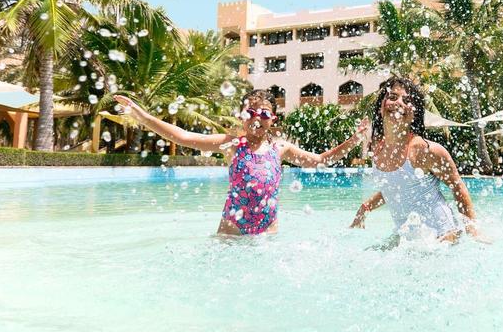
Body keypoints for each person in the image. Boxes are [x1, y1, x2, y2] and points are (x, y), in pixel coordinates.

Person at [114, 90, 367, 236]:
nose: (258, 118)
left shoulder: (281, 148)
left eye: (264, 114)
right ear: (243, 117)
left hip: (268, 230)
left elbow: (320, 161)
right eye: (252, 113)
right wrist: (142, 115)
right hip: (232, 228)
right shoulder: (233, 144)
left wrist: (355, 140)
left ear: (273, 119)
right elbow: (184, 137)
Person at [349, 77, 484, 243]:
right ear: (380, 107)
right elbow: (396, 187)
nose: (399, 103)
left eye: (407, 100)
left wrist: (473, 232)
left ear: (414, 113)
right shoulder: (377, 148)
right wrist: (365, 208)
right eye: (392, 97)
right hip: (407, 239)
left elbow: (458, 187)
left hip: (441, 238)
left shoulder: (425, 150)